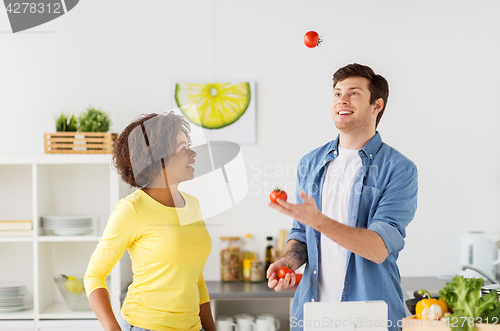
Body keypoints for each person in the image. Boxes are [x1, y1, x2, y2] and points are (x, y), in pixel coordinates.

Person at [267, 63, 418, 331]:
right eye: (337, 93)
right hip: (313, 316)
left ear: (377, 105)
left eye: (354, 93)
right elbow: (302, 233)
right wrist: (288, 261)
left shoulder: (399, 169)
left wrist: (320, 221)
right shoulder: (310, 162)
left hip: (371, 317)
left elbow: (378, 247)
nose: (342, 100)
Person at [84, 112, 215, 331]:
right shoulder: (132, 209)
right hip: (145, 326)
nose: (192, 154)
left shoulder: (193, 205)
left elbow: (196, 277)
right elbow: (94, 276)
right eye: (183, 148)